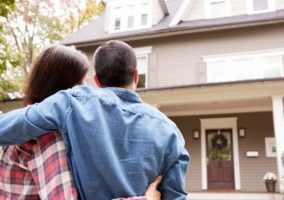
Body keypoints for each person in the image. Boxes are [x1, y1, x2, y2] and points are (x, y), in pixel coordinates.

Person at [0, 40, 189, 200]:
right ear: (136, 76)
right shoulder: (171, 132)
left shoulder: (71, 103)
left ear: (96, 80)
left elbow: (9, 127)